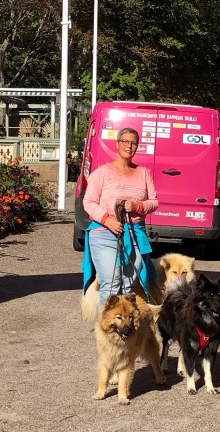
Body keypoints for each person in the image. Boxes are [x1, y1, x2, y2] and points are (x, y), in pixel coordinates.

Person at [80, 127, 159, 312]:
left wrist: (137, 206)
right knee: (112, 282)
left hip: (134, 234)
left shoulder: (144, 173)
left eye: (133, 143)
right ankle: (107, 326)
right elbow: (88, 202)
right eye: (125, 142)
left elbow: (154, 202)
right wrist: (107, 219)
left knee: (128, 284)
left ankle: (122, 324)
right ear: (117, 144)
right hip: (104, 234)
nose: (129, 146)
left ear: (137, 146)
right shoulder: (101, 173)